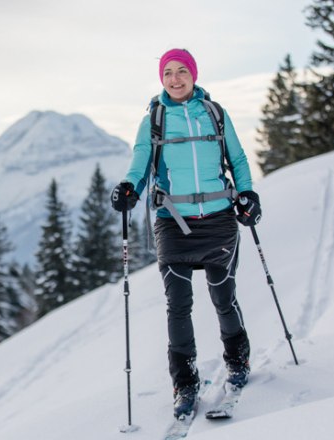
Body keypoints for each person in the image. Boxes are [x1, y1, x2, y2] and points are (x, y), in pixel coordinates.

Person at [110, 48, 261, 420]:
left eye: (181, 72)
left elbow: (237, 159)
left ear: (193, 75)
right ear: (161, 79)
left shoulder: (214, 113)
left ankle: (237, 360)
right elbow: (140, 163)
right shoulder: (154, 120)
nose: (175, 79)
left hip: (219, 218)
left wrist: (247, 193)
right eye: (168, 74)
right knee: (178, 306)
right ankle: (185, 383)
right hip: (173, 222)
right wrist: (130, 187)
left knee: (224, 297)